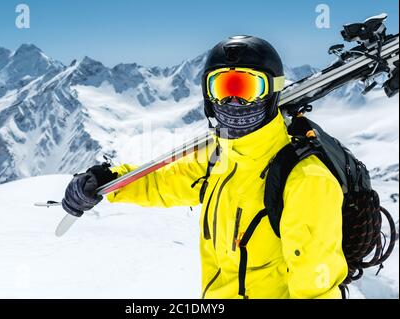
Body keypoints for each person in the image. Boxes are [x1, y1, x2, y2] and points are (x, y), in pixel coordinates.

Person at [62, 35, 348, 299]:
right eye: (222, 87)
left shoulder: (306, 181)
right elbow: (161, 182)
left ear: (272, 92)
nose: (233, 101)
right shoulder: (218, 158)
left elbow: (317, 291)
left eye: (247, 88)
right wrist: (107, 181)